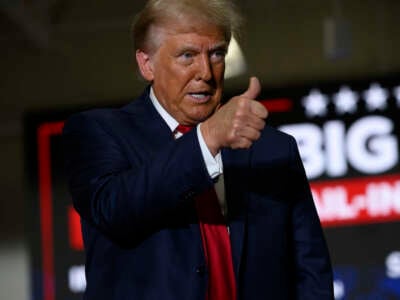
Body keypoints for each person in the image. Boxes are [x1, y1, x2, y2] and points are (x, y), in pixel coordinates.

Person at [63, 0, 334, 299]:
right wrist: (206, 140)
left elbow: (311, 271)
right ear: (147, 64)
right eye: (187, 55)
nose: (205, 72)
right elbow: (112, 209)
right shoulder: (98, 131)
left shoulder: (274, 148)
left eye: (217, 53)